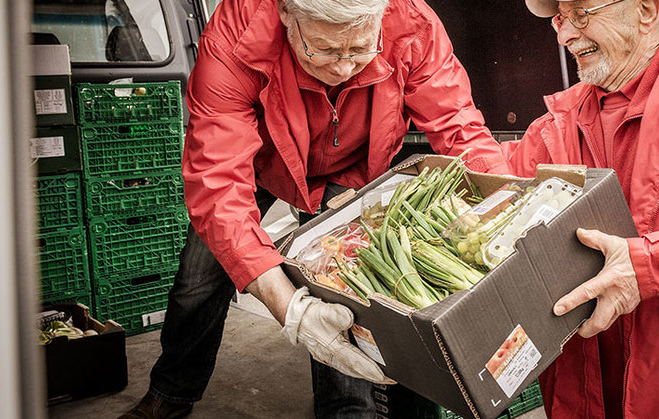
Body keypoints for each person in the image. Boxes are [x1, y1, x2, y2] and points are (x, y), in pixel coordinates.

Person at [118, 0, 509, 417]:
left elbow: (461, 127)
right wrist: (289, 309)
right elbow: (217, 176)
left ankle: (347, 408)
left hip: (351, 166)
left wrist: (507, 204)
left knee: (340, 277)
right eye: (323, 50)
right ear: (287, 14)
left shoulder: (411, 23)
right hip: (258, 161)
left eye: (360, 50)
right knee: (199, 277)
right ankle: (171, 393)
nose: (343, 68)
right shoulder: (238, 33)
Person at [503, 0, 659, 417]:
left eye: (581, 14)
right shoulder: (550, 129)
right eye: (560, 19)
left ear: (647, 10)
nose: (566, 35)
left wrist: (649, 264)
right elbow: (490, 218)